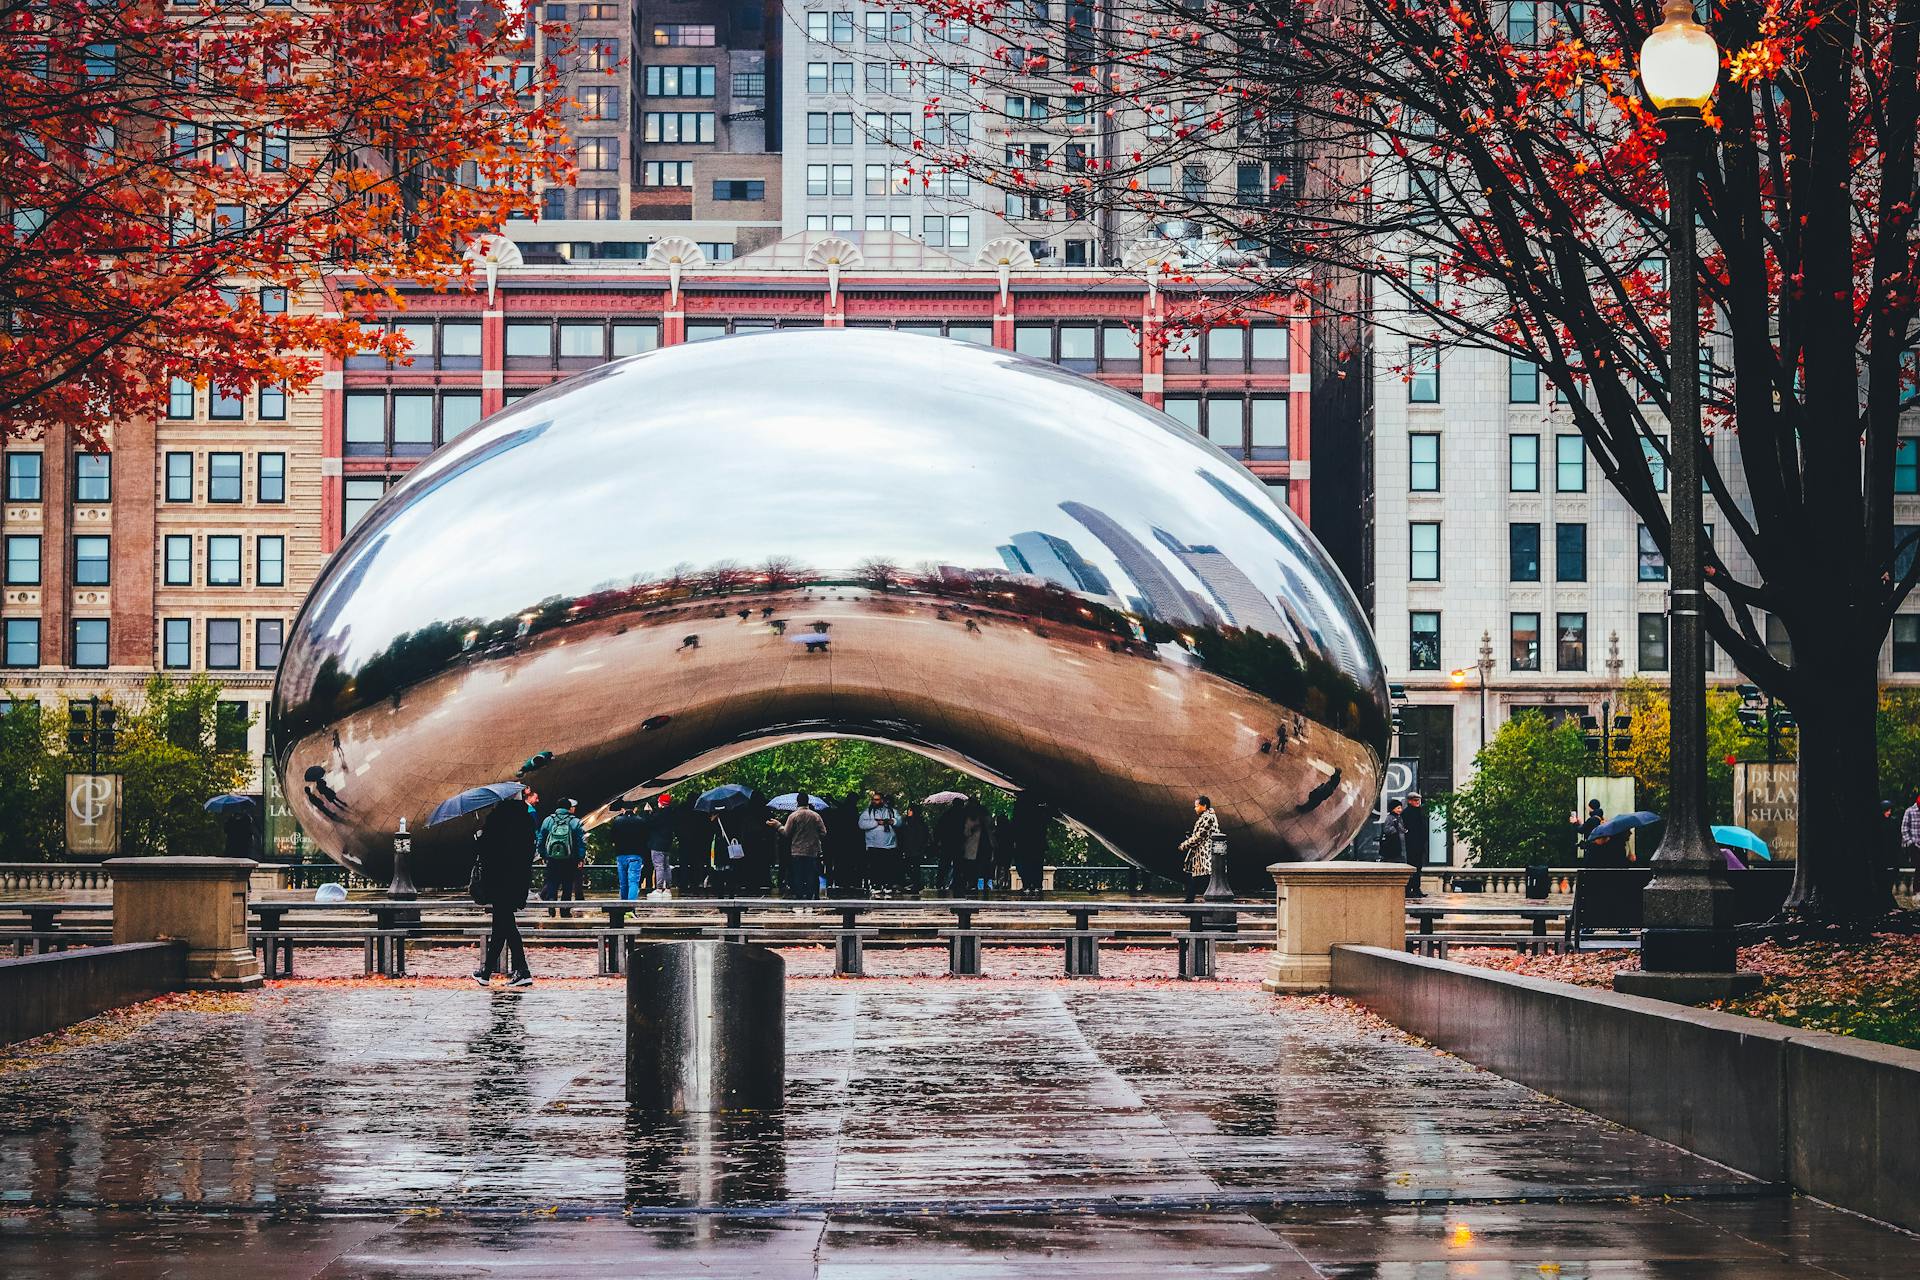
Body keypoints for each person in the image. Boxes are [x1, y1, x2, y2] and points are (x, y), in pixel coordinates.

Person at [473, 796, 535, 987]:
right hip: (517, 880)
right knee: (500, 926)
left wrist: (480, 838)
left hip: (499, 880)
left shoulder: (497, 819)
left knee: (506, 925)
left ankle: (523, 970)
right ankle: (486, 973)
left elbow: (488, 852)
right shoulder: (525, 819)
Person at [772, 792, 827, 900]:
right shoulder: (816, 816)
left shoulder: (793, 816)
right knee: (811, 874)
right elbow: (823, 832)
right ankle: (811, 896)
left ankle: (799, 896)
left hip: (797, 850)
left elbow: (786, 832)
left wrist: (777, 825)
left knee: (798, 875)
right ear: (808, 801)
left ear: (797, 802)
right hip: (813, 851)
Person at [536, 798, 585, 917]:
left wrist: (543, 854)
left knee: (552, 881)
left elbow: (541, 839)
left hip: (552, 858)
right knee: (567, 884)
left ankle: (551, 902)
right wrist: (580, 857)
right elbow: (581, 842)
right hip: (570, 858)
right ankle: (565, 910)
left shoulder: (548, 820)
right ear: (569, 808)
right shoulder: (575, 822)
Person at [1179, 795, 1222, 903]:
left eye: (1197, 806)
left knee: (1199, 880)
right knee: (1198, 880)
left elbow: (1200, 836)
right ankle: (1189, 903)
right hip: (1202, 854)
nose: (1195, 808)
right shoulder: (1206, 817)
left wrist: (1184, 844)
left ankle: (1189, 904)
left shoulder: (1208, 817)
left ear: (1204, 806)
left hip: (1205, 854)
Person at [858, 791, 901, 896]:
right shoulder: (867, 812)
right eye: (873, 799)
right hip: (874, 845)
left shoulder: (891, 811)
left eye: (877, 799)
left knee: (888, 866)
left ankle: (887, 885)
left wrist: (891, 821)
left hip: (889, 845)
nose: (874, 801)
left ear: (882, 800)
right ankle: (876, 885)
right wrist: (877, 822)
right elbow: (861, 824)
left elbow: (900, 822)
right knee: (875, 867)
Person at [1010, 793, 1050, 898]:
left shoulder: (1020, 812)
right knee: (1036, 864)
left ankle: (1028, 885)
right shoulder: (1039, 811)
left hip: (1023, 842)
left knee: (1025, 864)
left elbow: (1014, 826)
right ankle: (1036, 885)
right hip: (1035, 842)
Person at [610, 801, 650, 901]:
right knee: (633, 882)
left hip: (621, 855)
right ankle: (630, 907)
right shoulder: (641, 821)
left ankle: (623, 905)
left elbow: (612, 838)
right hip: (636, 855)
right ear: (635, 809)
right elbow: (646, 838)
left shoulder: (617, 821)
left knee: (623, 883)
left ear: (623, 810)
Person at [957, 798, 994, 894]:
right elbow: (966, 832)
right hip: (973, 845)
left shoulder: (983, 817)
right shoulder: (968, 817)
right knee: (972, 865)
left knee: (984, 864)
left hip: (984, 844)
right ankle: (972, 882)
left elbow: (990, 825)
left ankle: (983, 883)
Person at [646, 794, 677, 896]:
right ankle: (668, 888)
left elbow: (650, 823)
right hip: (667, 844)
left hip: (657, 844)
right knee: (666, 867)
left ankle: (659, 889)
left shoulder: (659, 814)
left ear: (662, 803)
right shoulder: (672, 814)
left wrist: (648, 813)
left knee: (658, 866)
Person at [1403, 792, 1429, 899]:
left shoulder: (1420, 812)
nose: (1417, 802)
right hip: (1411, 845)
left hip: (1419, 845)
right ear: (1409, 801)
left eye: (1418, 800)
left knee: (1418, 868)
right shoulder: (1406, 813)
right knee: (1411, 867)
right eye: (1415, 800)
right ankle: (1409, 889)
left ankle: (1416, 888)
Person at [1379, 799, 1407, 894]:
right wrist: (1396, 830)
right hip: (1393, 845)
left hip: (1399, 844)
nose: (1400, 809)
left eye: (1400, 808)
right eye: (1398, 808)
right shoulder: (1390, 818)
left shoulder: (1398, 817)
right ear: (1393, 809)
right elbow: (1387, 829)